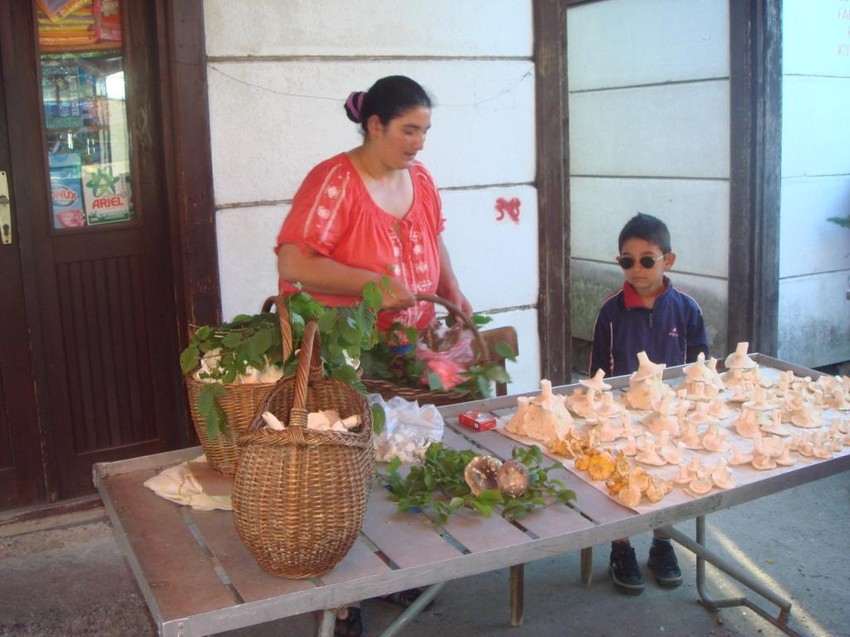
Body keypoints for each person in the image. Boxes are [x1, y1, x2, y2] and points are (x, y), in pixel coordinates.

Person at [275, 75, 470, 637]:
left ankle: (392, 569)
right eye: (409, 130)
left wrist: (451, 286)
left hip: (402, 351)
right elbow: (294, 263)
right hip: (341, 352)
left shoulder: (422, 179)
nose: (419, 142)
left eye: (425, 130)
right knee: (342, 472)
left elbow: (433, 238)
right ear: (375, 125)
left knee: (399, 458)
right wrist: (369, 284)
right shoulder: (334, 181)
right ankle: (342, 600)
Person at [589, 212, 709, 596]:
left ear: (667, 260)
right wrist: (604, 412)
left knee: (666, 477)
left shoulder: (688, 309)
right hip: (623, 415)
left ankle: (662, 543)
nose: (636, 269)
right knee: (621, 477)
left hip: (670, 415)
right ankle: (621, 546)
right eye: (627, 260)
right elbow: (598, 375)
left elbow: (699, 368)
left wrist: (691, 408)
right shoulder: (610, 312)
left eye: (646, 260)